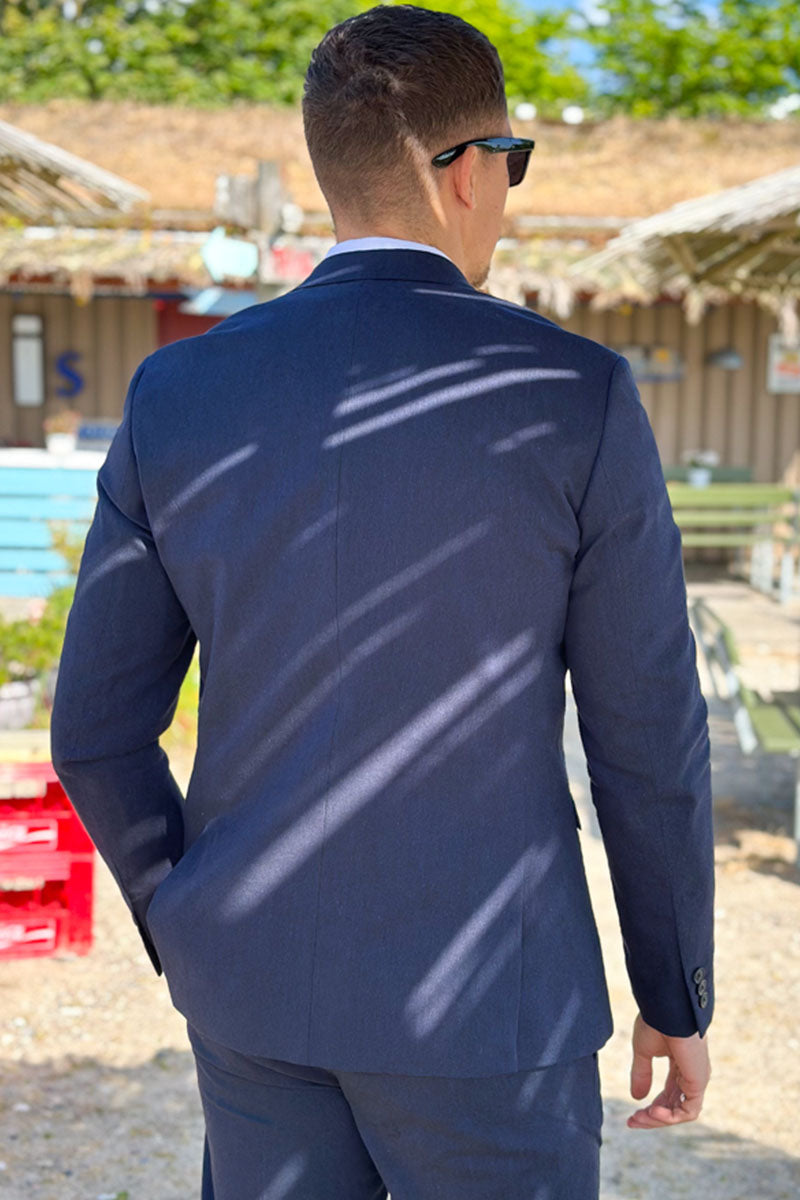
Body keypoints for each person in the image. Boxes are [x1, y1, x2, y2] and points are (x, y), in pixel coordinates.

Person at [50, 5, 714, 1197]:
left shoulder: (175, 392)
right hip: (491, 1001)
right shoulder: (574, 394)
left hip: (250, 993)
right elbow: (645, 737)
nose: (505, 192)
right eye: (511, 161)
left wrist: (187, 915)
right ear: (462, 171)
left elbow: (95, 730)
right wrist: (672, 989)